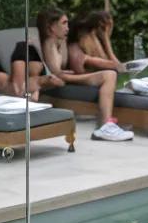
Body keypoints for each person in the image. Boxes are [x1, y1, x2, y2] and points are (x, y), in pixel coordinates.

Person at [38, 8, 134, 141]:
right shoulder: (49, 44)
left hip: (66, 78)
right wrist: (62, 73)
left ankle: (106, 124)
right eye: (64, 23)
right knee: (109, 75)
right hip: (57, 83)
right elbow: (57, 76)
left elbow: (58, 71)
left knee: (110, 74)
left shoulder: (62, 42)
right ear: (52, 27)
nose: (67, 27)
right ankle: (105, 125)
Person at [73, 9, 126, 74]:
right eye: (109, 26)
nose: (110, 30)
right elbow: (120, 68)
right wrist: (106, 39)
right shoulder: (87, 40)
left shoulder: (96, 40)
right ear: (101, 26)